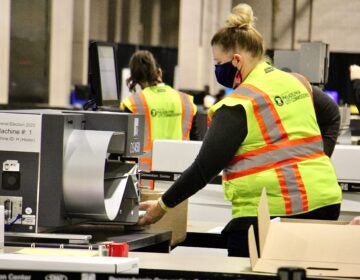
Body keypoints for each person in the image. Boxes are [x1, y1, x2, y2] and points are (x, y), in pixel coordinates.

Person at [137, 3, 342, 257]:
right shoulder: (296, 82)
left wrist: (162, 206)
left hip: (271, 213)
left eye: (217, 62)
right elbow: (332, 115)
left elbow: (203, 169)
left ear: (236, 61)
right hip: (326, 202)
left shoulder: (239, 105)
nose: (216, 70)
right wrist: (320, 160)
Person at [120, 50, 200, 188]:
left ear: (134, 77)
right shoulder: (186, 101)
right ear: (158, 71)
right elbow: (196, 142)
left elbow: (124, 149)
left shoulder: (133, 103)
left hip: (144, 182)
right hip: (180, 183)